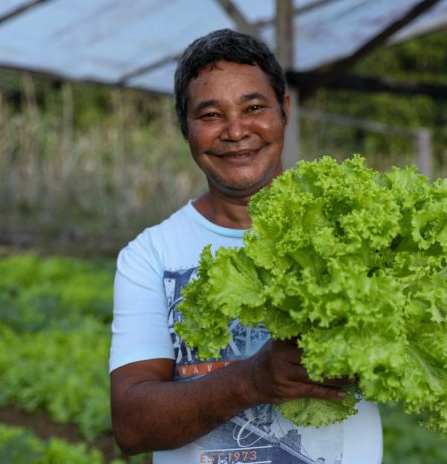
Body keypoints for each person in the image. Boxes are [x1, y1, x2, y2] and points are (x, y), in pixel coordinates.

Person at [109, 28, 383, 464]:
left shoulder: (355, 225)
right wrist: (252, 381)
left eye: (253, 108)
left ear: (284, 111)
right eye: (211, 115)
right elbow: (130, 424)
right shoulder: (150, 256)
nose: (236, 131)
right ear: (186, 129)